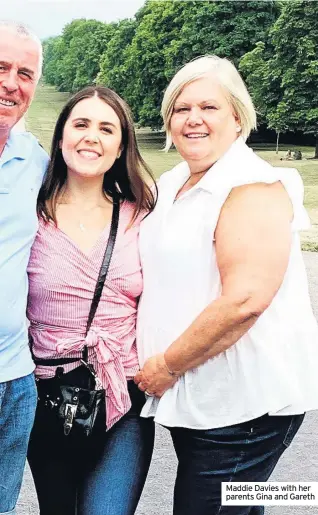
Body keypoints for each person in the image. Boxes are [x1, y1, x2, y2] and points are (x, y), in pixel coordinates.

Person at [135, 55, 318, 515]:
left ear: (237, 116)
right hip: (207, 400)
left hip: (242, 408)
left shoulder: (251, 184)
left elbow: (245, 300)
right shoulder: (176, 180)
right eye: (181, 108)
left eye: (209, 107)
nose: (193, 118)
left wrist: (167, 366)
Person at [27, 85, 156, 515]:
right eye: (80, 124)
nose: (91, 137)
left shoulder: (143, 215)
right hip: (48, 395)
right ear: (61, 134)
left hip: (124, 395)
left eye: (106, 128)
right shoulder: (31, 214)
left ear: (121, 146)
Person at [0, 21, 49, 515]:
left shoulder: (33, 159)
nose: (12, 83)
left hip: (14, 380)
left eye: (25, 73)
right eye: (0, 68)